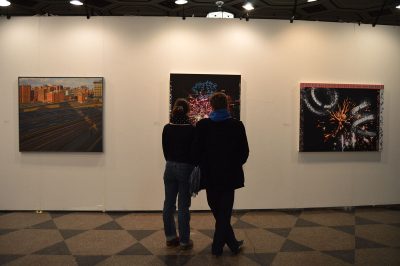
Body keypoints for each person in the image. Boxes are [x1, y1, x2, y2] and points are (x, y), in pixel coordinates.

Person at [193, 92, 249, 256]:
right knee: (223, 212)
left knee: (218, 211)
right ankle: (231, 243)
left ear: (211, 105)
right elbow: (244, 152)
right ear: (227, 105)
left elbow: (196, 151)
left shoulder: (203, 125)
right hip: (229, 176)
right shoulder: (237, 125)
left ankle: (217, 247)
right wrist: (233, 164)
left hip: (210, 176)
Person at [162, 99, 195, 250]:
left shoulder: (167, 128)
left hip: (169, 166)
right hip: (185, 168)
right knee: (183, 206)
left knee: (168, 203)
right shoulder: (191, 129)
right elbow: (195, 152)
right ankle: (184, 241)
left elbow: (165, 150)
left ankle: (170, 238)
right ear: (187, 111)